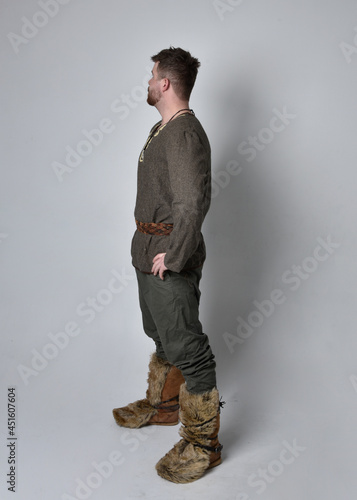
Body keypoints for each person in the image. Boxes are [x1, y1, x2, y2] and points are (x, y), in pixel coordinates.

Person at [113, 47, 223, 484]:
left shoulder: (183, 134)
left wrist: (173, 254)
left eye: (152, 74)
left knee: (188, 349)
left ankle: (203, 443)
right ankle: (163, 406)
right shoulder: (162, 128)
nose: (148, 80)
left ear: (166, 83)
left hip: (167, 253)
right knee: (159, 334)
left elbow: (192, 203)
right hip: (148, 246)